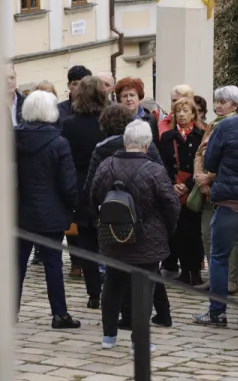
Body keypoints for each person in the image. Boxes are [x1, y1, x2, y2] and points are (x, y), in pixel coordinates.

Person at [90, 120, 181, 351]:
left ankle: (108, 336)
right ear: (147, 144)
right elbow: (171, 205)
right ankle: (138, 341)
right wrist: (166, 229)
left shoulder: (106, 165)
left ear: (125, 141)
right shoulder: (155, 170)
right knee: (143, 290)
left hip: (113, 234)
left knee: (112, 284)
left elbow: (93, 197)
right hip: (147, 237)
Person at [192, 98, 238, 329]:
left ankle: (217, 312)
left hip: (229, 201)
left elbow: (210, 161)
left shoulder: (227, 125)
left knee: (219, 256)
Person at [14, 91, 81, 329]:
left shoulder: (13, 138)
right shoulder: (59, 142)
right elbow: (68, 183)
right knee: (53, 264)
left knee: (17, 263)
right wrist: (72, 206)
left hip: (20, 211)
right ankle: (59, 314)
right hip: (51, 212)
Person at [61, 76, 108, 308]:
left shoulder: (69, 124)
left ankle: (94, 293)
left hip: (81, 184)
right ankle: (111, 289)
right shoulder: (108, 121)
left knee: (86, 241)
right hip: (107, 182)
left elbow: (67, 159)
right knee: (109, 239)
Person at [192, 86, 238, 293]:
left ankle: (231, 280)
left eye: (223, 102)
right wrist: (200, 179)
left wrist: (210, 177)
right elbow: (200, 153)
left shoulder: (237, 125)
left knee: (233, 237)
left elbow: (234, 162)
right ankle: (214, 278)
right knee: (206, 234)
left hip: (227, 189)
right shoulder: (213, 123)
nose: (218, 105)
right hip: (206, 189)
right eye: (217, 101)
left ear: (235, 104)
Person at [158, 97, 206, 286]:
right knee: (178, 232)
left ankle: (195, 271)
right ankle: (184, 271)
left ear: (193, 114)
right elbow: (162, 163)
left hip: (193, 189)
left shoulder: (201, 135)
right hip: (174, 189)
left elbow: (203, 163)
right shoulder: (167, 137)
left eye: (185, 111)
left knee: (194, 232)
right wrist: (172, 184)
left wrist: (187, 184)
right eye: (178, 111)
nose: (181, 115)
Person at [115, 77, 160, 145]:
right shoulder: (115, 120)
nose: (129, 99)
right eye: (124, 96)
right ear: (119, 100)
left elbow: (156, 145)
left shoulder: (150, 118)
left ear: (139, 97)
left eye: (132, 95)